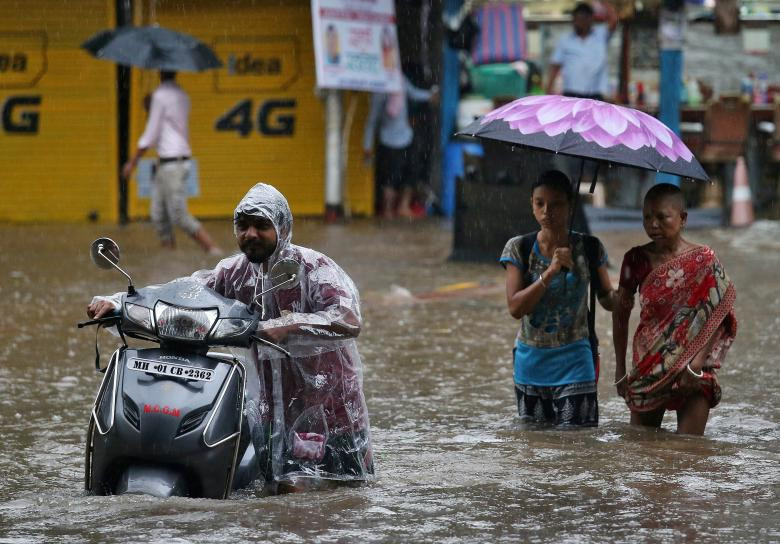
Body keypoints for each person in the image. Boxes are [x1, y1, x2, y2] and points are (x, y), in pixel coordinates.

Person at [87, 183, 374, 490]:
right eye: (243, 226)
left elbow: (348, 318)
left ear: (283, 228)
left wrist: (289, 324)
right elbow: (184, 293)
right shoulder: (234, 273)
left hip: (327, 409)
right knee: (276, 493)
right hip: (271, 411)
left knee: (336, 496)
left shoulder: (314, 267)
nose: (250, 234)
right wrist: (119, 303)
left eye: (261, 226)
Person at [612, 183, 737, 435]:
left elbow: (719, 313)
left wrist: (696, 366)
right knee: (641, 448)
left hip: (695, 366)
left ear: (683, 218)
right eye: (647, 217)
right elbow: (620, 314)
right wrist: (620, 369)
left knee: (689, 450)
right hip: (649, 365)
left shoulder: (704, 259)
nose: (653, 225)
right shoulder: (634, 260)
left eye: (662, 217)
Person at [500, 170, 616, 427]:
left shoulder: (589, 248)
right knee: (535, 445)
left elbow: (607, 298)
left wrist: (624, 297)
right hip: (530, 365)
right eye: (539, 203)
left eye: (556, 204)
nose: (546, 212)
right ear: (531, 204)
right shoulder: (519, 248)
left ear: (570, 205)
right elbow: (515, 308)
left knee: (577, 444)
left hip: (576, 362)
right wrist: (550, 272)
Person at [122, 70, 221, 255]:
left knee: (178, 215)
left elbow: (151, 134)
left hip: (172, 164)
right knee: (158, 214)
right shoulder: (182, 95)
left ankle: (213, 251)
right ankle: (169, 257)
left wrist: (132, 163)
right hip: (169, 163)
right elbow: (166, 127)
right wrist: (152, 107)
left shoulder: (160, 96)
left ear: (160, 72)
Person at [363, 77, 437, 219]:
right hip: (389, 141)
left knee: (411, 173)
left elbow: (414, 93)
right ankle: (388, 210)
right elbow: (372, 121)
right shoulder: (379, 90)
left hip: (406, 137)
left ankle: (403, 207)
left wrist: (429, 96)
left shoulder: (400, 80)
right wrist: (367, 146)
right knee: (390, 178)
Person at [545, 1, 618, 100]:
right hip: (571, 94)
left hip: (595, 94)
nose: (578, 23)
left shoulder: (601, 35)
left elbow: (613, 20)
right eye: (576, 20)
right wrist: (548, 90)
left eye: (581, 19)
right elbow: (555, 66)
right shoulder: (565, 40)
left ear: (590, 19)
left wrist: (603, 2)